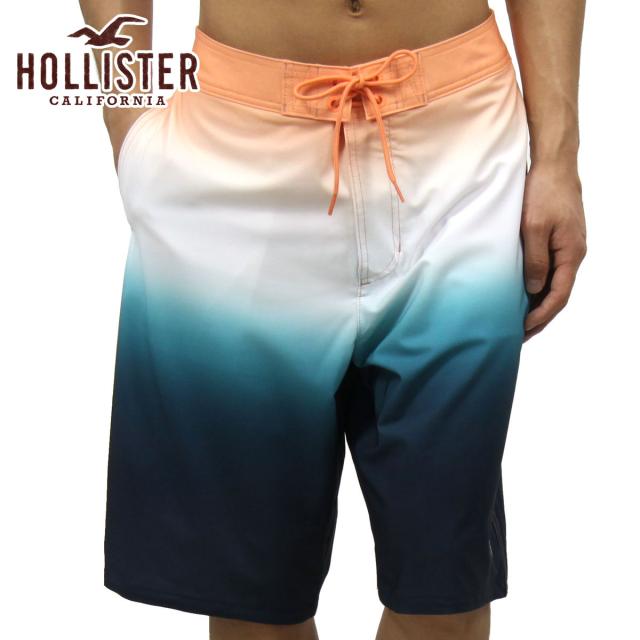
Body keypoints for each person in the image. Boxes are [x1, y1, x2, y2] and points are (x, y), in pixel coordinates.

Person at [80, 1, 587, 638]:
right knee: (254, 604)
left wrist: (558, 158)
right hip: (235, 152)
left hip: (462, 154)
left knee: (446, 600)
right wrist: (125, 124)